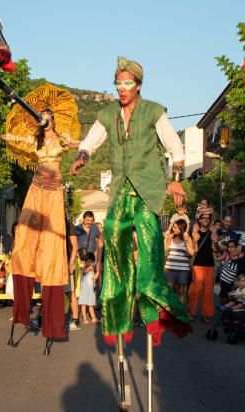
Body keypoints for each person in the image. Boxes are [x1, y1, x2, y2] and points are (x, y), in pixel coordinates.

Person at [71, 57, 191, 345]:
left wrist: (176, 178)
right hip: (121, 192)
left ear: (138, 85)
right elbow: (90, 141)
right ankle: (117, 319)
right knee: (114, 250)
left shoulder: (153, 112)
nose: (122, 88)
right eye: (118, 83)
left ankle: (156, 317)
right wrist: (82, 157)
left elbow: (175, 147)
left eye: (128, 83)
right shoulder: (108, 113)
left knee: (150, 254)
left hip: (147, 192)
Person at [0, 108, 79, 340]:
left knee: (52, 241)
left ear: (52, 119)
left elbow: (80, 144)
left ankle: (52, 300)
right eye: (41, 116)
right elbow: (15, 139)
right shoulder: (35, 140)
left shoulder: (62, 138)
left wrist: (86, 147)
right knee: (25, 234)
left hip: (54, 191)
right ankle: (23, 297)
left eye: (47, 115)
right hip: (37, 189)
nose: (43, 118)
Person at [188, 213, 218, 323]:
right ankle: (191, 311)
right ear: (199, 220)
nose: (205, 220)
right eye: (203, 218)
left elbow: (216, 249)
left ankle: (206, 314)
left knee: (208, 291)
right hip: (198, 264)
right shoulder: (195, 232)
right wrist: (195, 240)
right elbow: (192, 249)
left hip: (209, 264)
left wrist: (215, 239)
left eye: (207, 218)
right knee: (195, 290)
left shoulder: (212, 233)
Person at [163, 221, 195, 305]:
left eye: (175, 227)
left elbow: (191, 253)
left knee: (181, 292)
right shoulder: (171, 237)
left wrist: (186, 240)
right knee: (170, 291)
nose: (173, 229)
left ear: (181, 229)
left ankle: (180, 312)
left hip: (182, 270)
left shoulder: (187, 238)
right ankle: (171, 311)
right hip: (170, 269)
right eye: (173, 227)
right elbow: (165, 250)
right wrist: (166, 239)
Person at [77, 253, 99, 324]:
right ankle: (84, 318)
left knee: (91, 305)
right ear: (85, 261)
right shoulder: (84, 267)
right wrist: (89, 268)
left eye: (91, 262)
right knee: (83, 304)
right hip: (84, 290)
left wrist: (97, 273)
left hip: (90, 290)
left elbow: (94, 279)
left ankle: (93, 318)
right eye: (88, 261)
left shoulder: (92, 269)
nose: (89, 263)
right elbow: (84, 272)